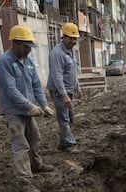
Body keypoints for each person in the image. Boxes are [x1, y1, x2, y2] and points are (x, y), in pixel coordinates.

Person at [0, 25, 55, 192]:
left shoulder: (28, 62)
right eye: (26, 46)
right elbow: (11, 90)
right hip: (14, 111)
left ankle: (36, 165)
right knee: (21, 145)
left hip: (28, 110)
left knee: (35, 138)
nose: (29, 49)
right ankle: (25, 181)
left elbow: (36, 84)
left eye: (30, 46)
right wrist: (29, 106)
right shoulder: (4, 62)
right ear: (15, 43)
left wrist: (44, 105)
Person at [47, 22, 81, 152]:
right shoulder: (57, 53)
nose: (73, 41)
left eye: (75, 38)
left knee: (70, 116)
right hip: (59, 91)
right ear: (64, 37)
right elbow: (57, 76)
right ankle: (69, 144)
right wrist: (64, 94)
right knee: (64, 118)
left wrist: (77, 86)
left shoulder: (71, 51)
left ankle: (63, 142)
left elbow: (73, 70)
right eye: (70, 38)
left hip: (69, 90)